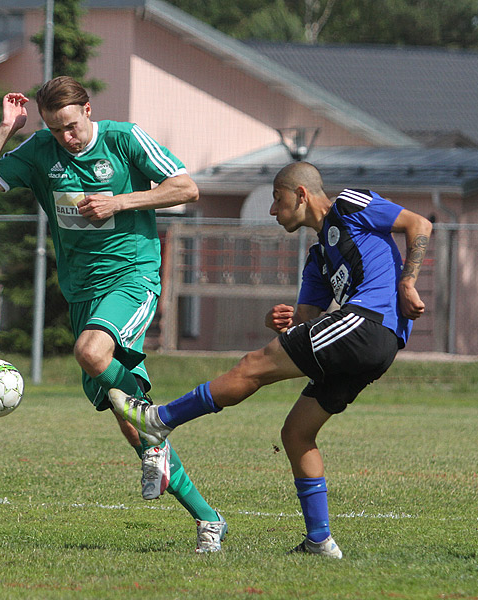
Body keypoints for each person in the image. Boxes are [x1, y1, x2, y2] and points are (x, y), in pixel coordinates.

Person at [110, 161, 432, 558]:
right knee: (296, 433)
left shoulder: (349, 204)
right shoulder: (318, 260)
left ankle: (160, 420)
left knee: (253, 366)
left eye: (277, 201)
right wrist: (277, 322)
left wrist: (408, 282)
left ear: (301, 195)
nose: (272, 211)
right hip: (372, 345)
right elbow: (304, 325)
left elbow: (420, 224)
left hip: (369, 323)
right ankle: (319, 540)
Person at [0, 76, 227, 553]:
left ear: (88, 110)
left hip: (132, 275)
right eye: (56, 129)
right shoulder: (41, 151)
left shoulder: (124, 138)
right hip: (82, 293)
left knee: (89, 351)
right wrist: (4, 129)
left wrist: (121, 200)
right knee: (131, 425)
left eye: (72, 126)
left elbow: (187, 188)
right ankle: (208, 517)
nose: (67, 137)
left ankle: (155, 424)